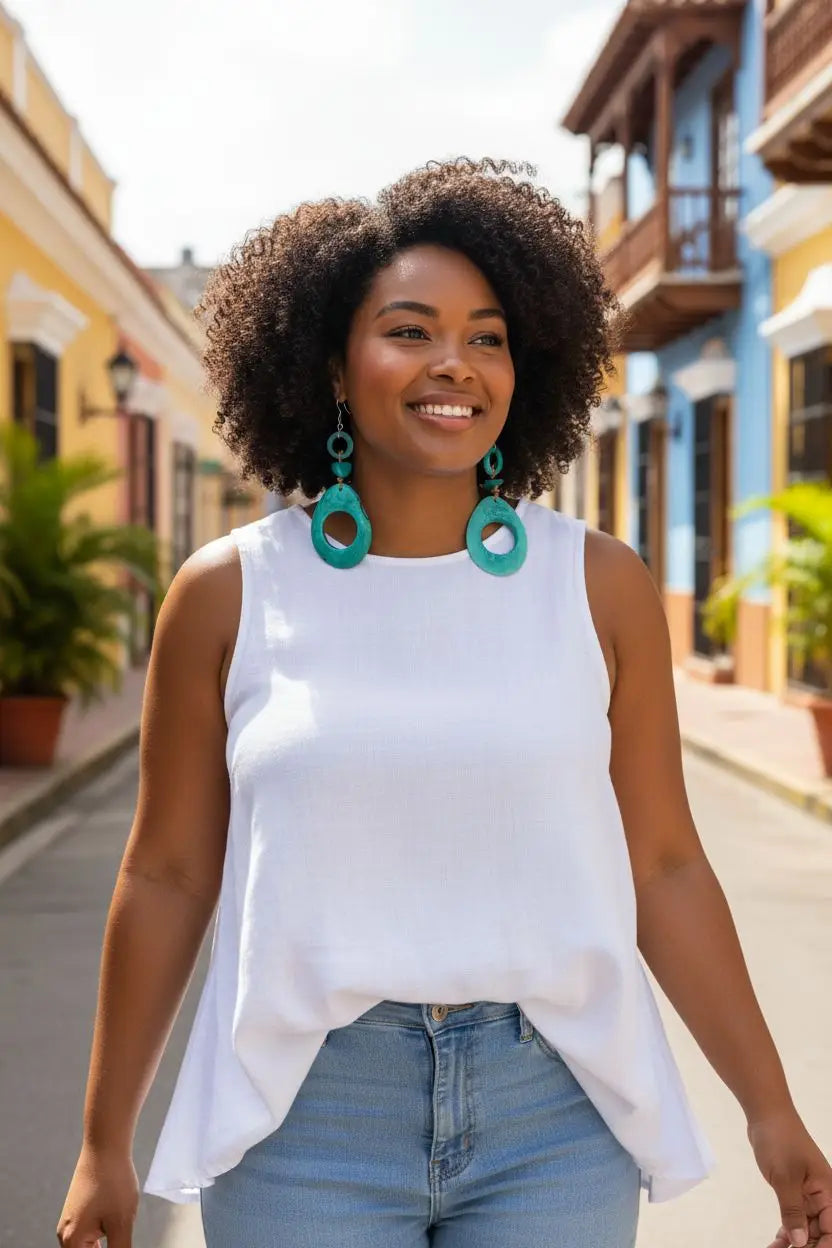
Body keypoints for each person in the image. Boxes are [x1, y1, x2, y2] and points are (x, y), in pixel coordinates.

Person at [57, 157, 831, 1248]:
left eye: (488, 336)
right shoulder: (230, 593)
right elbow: (167, 873)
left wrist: (770, 1108)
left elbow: (661, 865)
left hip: (553, 1117)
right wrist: (103, 1145)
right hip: (302, 1120)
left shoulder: (598, 585)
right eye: (410, 330)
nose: (454, 365)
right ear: (331, 362)